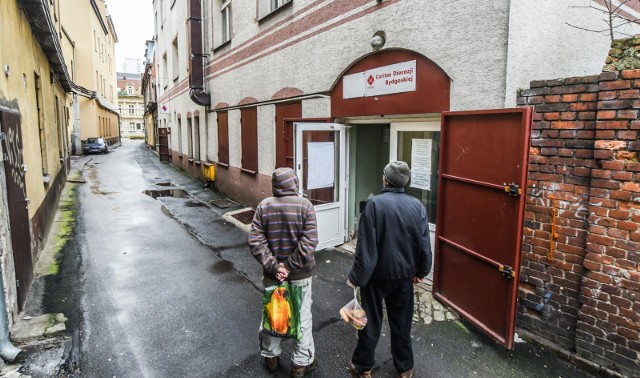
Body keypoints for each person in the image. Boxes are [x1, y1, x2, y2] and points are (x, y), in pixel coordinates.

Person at [347, 161, 432, 378]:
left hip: (376, 278)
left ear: (386, 179)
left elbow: (365, 248)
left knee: (370, 322)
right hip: (404, 276)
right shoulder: (417, 206)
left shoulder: (374, 204)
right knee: (401, 323)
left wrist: (357, 277)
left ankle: (363, 366)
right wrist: (421, 271)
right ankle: (405, 368)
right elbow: (424, 244)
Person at [249, 167, 319, 378]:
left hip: (273, 276)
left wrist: (275, 266)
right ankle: (300, 364)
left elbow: (256, 241)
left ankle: (271, 358)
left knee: (274, 315)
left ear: (275, 185)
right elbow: (309, 243)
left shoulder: (264, 206)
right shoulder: (305, 206)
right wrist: (289, 266)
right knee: (302, 317)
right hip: (300, 276)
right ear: (294, 184)